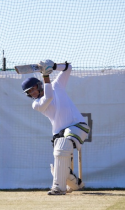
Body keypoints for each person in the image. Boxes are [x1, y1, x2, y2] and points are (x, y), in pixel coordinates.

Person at [21, 60, 90, 195]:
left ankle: (58, 188)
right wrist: (46, 76)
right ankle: (76, 184)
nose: (33, 93)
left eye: (33, 89)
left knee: (62, 144)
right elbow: (49, 97)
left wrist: (53, 67)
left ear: (38, 86)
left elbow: (68, 68)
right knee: (60, 156)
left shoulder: (57, 85)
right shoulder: (37, 104)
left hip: (78, 126)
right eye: (29, 93)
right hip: (59, 133)